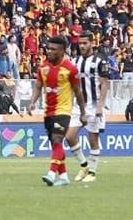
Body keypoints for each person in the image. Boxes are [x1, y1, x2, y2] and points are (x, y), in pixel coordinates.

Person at [26, 36, 85, 187]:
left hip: (63, 111)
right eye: (48, 48)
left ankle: (51, 174)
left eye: (53, 49)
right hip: (48, 112)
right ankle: (64, 176)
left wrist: (83, 113)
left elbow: (78, 92)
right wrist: (32, 102)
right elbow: (38, 86)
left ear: (63, 51)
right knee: (56, 146)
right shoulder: (43, 68)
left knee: (58, 139)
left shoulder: (70, 69)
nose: (49, 51)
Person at [71, 31, 110, 183]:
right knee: (69, 136)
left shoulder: (100, 60)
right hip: (79, 106)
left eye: (85, 43)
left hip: (94, 106)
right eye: (80, 43)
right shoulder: (76, 61)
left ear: (92, 43)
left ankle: (92, 173)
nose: (82, 46)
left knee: (93, 140)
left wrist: (100, 106)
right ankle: (84, 165)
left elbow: (105, 84)